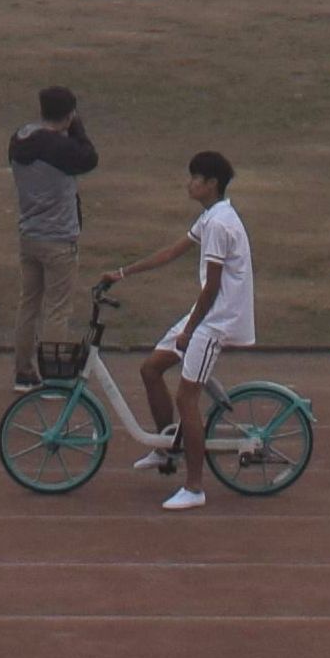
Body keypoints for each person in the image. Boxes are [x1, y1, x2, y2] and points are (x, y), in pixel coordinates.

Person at [118, 149, 253, 511]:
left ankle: (194, 488)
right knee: (151, 369)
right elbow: (172, 251)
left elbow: (212, 286)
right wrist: (121, 273)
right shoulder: (210, 217)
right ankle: (167, 451)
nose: (188, 183)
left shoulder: (221, 225)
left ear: (211, 184)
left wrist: (190, 330)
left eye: (195, 178)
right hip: (205, 313)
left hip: (217, 319)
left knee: (186, 397)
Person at [7, 87, 97, 391]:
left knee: (28, 304)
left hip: (29, 234)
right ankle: (55, 375)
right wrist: (78, 127)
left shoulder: (20, 138)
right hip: (59, 239)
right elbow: (88, 157)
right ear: (69, 113)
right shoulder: (61, 149)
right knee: (57, 309)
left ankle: (23, 371)